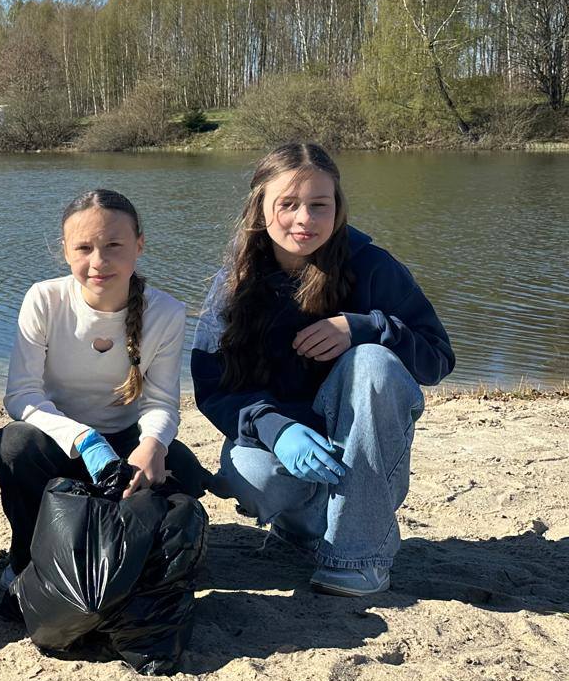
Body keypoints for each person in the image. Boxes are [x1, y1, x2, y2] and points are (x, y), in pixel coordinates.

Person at [192, 142, 454, 597]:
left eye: (319, 205)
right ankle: (307, 528)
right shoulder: (235, 280)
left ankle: (358, 557)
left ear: (338, 207)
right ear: (260, 207)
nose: (304, 219)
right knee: (250, 473)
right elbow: (213, 387)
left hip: (367, 451)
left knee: (372, 361)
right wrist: (276, 427)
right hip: (289, 446)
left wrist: (366, 327)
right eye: (288, 204)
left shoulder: (372, 266)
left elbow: (437, 359)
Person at [0, 188, 204, 618]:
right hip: (57, 443)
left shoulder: (167, 312)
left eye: (114, 245)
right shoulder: (44, 300)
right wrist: (85, 440)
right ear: (64, 251)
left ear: (139, 246)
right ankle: (27, 560)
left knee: (188, 480)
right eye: (84, 248)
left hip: (124, 441)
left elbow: (161, 402)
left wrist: (152, 445)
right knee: (13, 447)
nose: (99, 261)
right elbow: (22, 395)